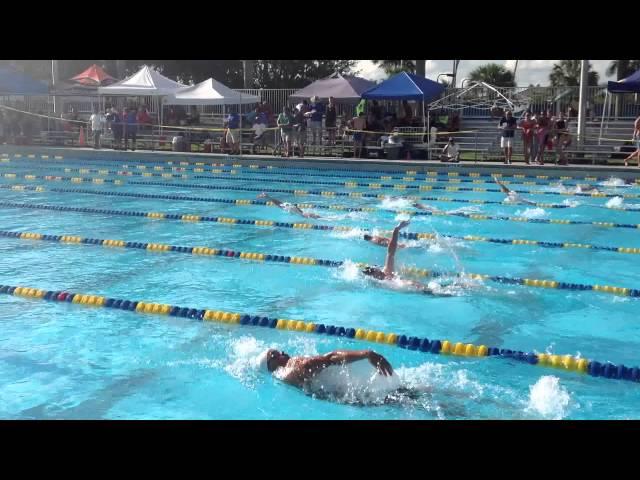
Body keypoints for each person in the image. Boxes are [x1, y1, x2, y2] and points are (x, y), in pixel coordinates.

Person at [360, 221, 446, 295]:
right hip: (422, 290)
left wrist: (396, 229)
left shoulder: (386, 277)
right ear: (375, 274)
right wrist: (396, 229)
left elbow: (391, 251)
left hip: (421, 289)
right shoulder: (386, 276)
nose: (378, 269)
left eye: (376, 268)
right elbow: (391, 251)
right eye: (375, 269)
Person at [259, 348, 394, 389]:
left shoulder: (285, 378)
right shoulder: (294, 365)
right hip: (364, 390)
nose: (282, 353)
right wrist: (366, 354)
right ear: (270, 365)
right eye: (275, 354)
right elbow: (329, 359)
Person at [257, 192, 321, 219]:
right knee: (279, 204)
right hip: (292, 208)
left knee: (279, 204)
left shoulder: (302, 214)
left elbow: (278, 203)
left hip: (291, 208)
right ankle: (266, 196)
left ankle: (266, 196)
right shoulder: (302, 213)